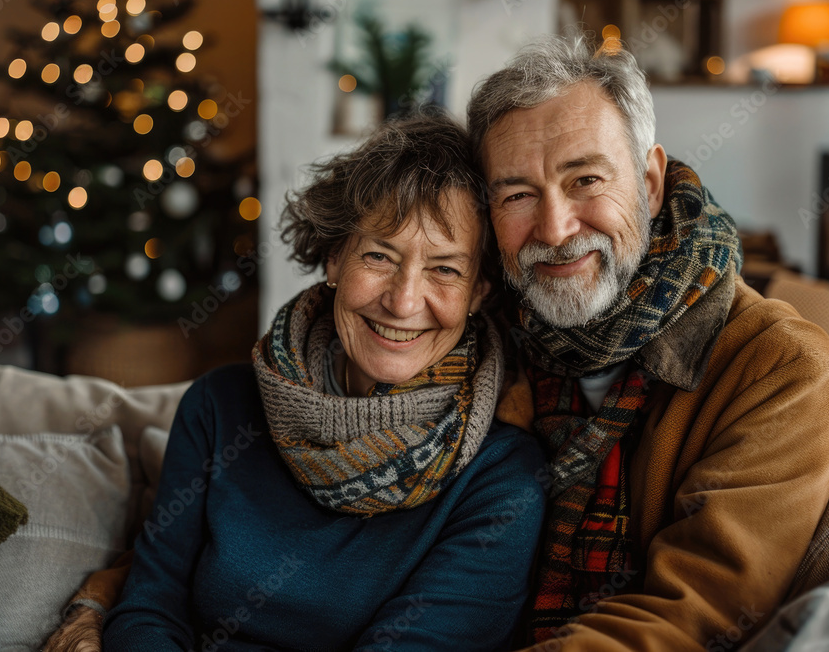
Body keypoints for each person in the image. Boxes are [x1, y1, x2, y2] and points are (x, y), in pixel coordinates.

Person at [89, 113, 546, 651]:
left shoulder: (504, 479)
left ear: (478, 292)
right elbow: (148, 608)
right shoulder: (220, 407)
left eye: (445, 269)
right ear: (334, 258)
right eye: (379, 255)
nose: (402, 301)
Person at [465, 34, 829, 650]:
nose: (556, 228)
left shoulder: (779, 367)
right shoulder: (482, 337)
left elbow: (692, 613)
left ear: (649, 183)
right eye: (517, 195)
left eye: (585, 179)